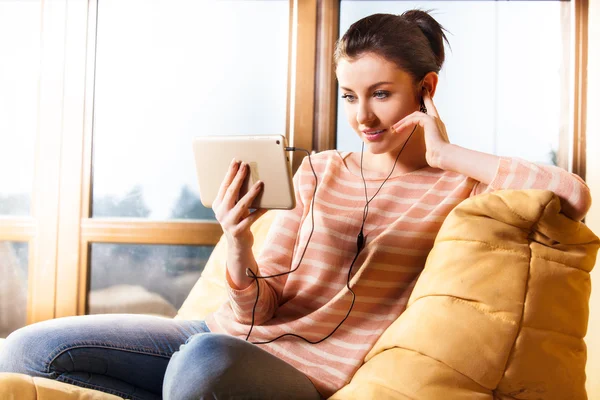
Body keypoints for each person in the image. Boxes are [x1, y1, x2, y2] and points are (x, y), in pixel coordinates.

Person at [0, 10, 591, 400]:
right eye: (350, 96)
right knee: (27, 348)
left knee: (201, 367)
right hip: (226, 334)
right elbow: (258, 308)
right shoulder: (319, 170)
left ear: (427, 89)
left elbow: (572, 194)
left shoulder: (460, 187)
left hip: (304, 373)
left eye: (381, 95)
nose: (362, 117)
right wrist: (236, 238)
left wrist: (447, 153)